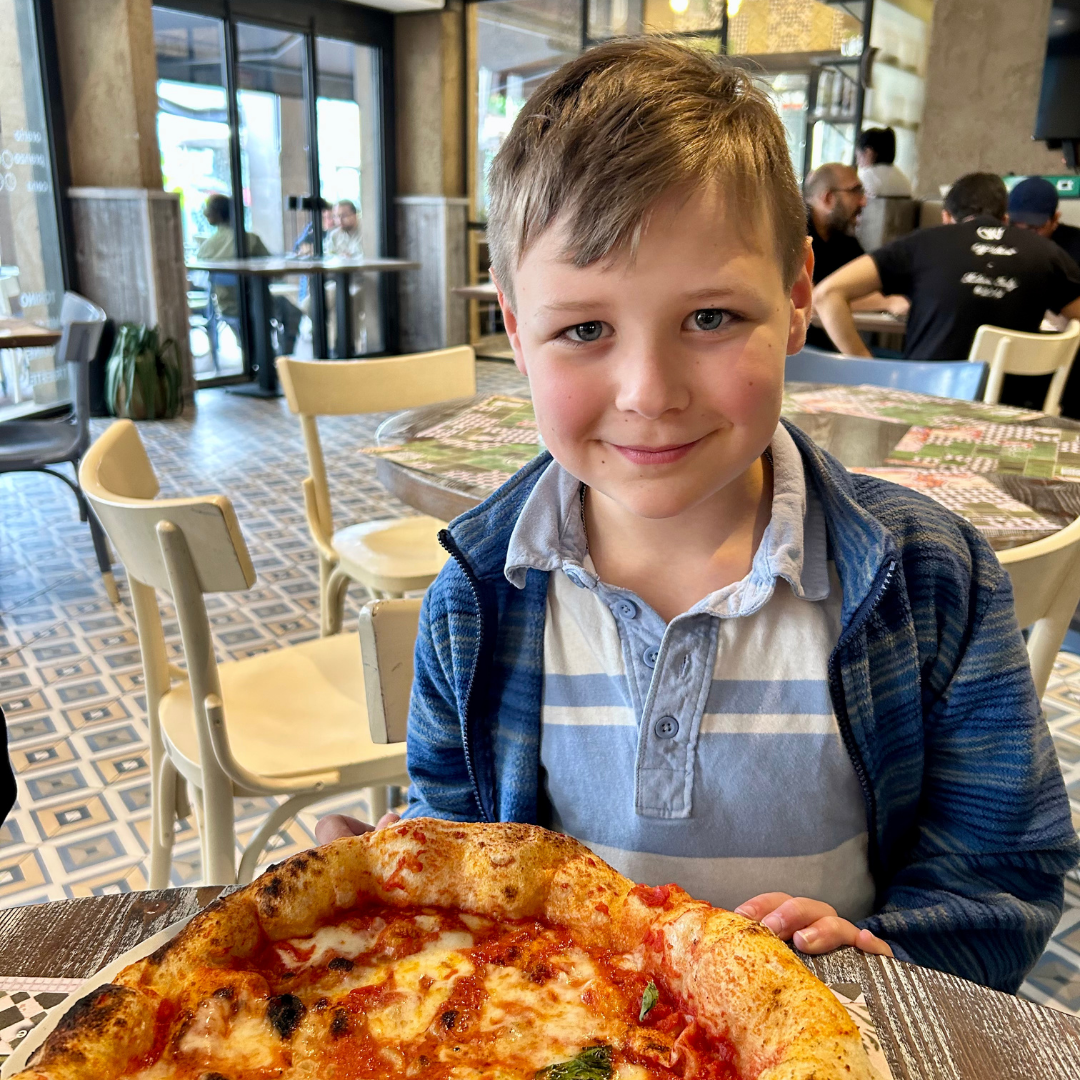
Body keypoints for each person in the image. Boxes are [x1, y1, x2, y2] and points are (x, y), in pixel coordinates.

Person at [316, 39, 1078, 993]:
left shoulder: (930, 578)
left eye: (710, 318)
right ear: (514, 328)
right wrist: (396, 885)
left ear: (795, 298)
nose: (650, 392)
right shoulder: (476, 598)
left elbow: (1003, 876)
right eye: (584, 328)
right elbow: (460, 865)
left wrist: (885, 961)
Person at [815, 172, 1080, 399]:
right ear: (1005, 217)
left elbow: (827, 294)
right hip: (1013, 416)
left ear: (945, 217)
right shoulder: (1046, 254)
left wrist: (866, 366)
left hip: (923, 406)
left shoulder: (922, 244)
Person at [803, 163, 905, 350]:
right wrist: (887, 303)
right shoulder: (793, 234)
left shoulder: (844, 240)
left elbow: (872, 287)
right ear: (828, 198)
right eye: (856, 191)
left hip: (834, 349)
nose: (864, 201)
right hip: (800, 354)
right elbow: (811, 300)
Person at [196, 194, 301, 356]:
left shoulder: (206, 247)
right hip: (256, 304)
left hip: (225, 307)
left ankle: (256, 353)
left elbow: (200, 279)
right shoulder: (250, 239)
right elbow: (275, 272)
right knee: (292, 312)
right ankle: (282, 357)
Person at [1007, 175, 1080, 266]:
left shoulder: (1075, 249)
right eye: (1015, 226)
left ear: (1055, 220)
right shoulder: (999, 241)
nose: (1025, 236)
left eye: (1034, 228)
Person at [855, 127, 912, 198]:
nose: (857, 162)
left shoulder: (867, 177)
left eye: (858, 156)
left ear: (869, 152)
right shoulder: (904, 180)